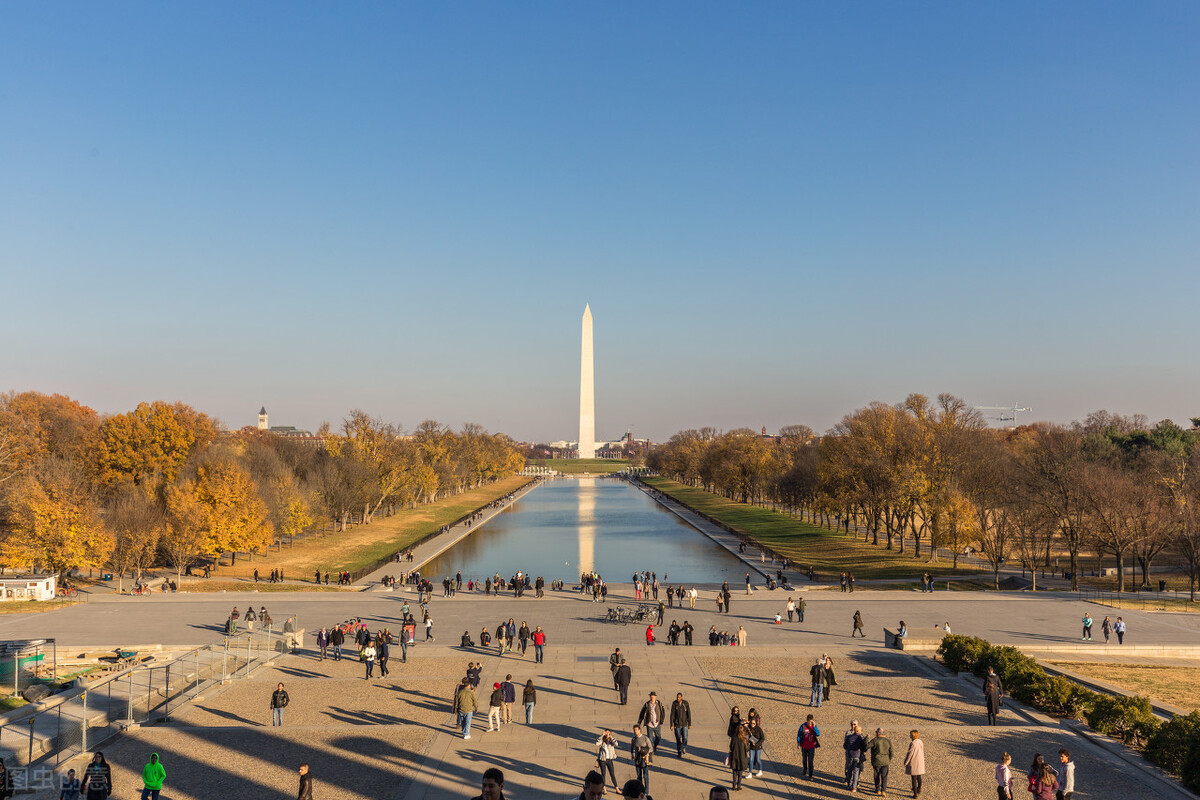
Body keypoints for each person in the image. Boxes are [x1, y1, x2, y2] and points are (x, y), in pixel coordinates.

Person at [869, 727, 893, 796]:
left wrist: (866, 739)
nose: (875, 733)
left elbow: (867, 746)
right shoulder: (888, 741)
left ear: (878, 733)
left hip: (876, 761)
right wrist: (888, 759)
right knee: (884, 776)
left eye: (876, 732)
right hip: (885, 761)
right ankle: (883, 790)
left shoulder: (875, 740)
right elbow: (892, 752)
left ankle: (877, 789)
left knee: (876, 775)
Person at [844, 721, 867, 792]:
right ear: (858, 731)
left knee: (849, 770)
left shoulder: (849, 737)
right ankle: (854, 787)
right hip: (857, 756)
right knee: (856, 772)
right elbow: (864, 748)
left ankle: (849, 784)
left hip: (850, 755)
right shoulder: (860, 738)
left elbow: (845, 746)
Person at [631, 724, 654, 794]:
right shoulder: (634, 739)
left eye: (636, 730)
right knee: (638, 776)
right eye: (634, 730)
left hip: (644, 759)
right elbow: (632, 748)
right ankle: (640, 790)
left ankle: (646, 792)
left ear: (639, 730)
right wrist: (632, 754)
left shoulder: (645, 738)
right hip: (637, 760)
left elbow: (651, 748)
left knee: (645, 776)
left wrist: (644, 751)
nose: (635, 731)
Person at [797, 714, 820, 781]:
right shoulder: (803, 726)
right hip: (804, 746)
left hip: (811, 747)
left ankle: (810, 775)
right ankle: (804, 769)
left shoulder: (813, 727)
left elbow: (818, 734)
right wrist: (798, 743)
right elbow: (799, 735)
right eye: (809, 721)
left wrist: (814, 726)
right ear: (807, 720)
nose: (810, 723)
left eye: (811, 721)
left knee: (810, 762)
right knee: (804, 759)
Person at [904, 729, 925, 798]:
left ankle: (915, 794)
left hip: (914, 762)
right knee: (919, 776)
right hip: (920, 761)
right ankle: (919, 788)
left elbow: (910, 754)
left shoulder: (913, 743)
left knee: (913, 778)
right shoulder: (920, 741)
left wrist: (906, 762)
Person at [671, 691, 692, 757]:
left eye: (679, 697)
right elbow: (672, 714)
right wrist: (671, 724)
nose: (678, 698)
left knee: (685, 738)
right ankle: (679, 752)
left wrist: (689, 723)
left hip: (684, 724)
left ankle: (682, 747)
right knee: (678, 739)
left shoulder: (685, 703)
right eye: (677, 697)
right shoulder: (674, 704)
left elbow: (689, 713)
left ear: (681, 698)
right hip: (677, 724)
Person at [729, 725, 749, 791]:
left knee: (734, 773)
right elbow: (747, 748)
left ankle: (734, 786)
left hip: (735, 757)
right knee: (740, 773)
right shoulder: (744, 739)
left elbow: (731, 747)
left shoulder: (734, 737)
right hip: (742, 757)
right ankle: (739, 786)